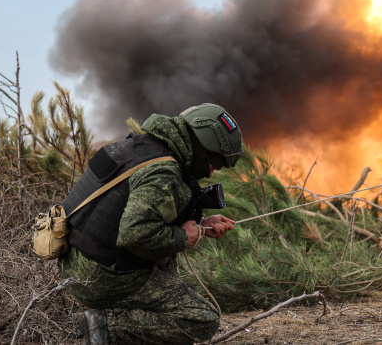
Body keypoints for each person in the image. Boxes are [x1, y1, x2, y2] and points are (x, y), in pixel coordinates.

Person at [59, 103, 244, 344]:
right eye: (213, 165)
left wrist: (202, 223)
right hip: (100, 280)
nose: (210, 174)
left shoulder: (134, 148)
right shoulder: (162, 172)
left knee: (165, 255)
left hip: (72, 265)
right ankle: (103, 328)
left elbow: (123, 212)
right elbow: (134, 235)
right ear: (202, 147)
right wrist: (182, 237)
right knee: (203, 318)